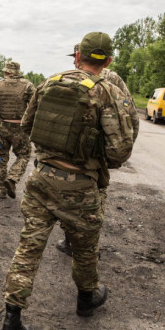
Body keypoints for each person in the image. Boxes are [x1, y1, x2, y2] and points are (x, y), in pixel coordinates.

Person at [0, 32, 138, 330]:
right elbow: (120, 150)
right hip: (81, 187)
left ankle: (11, 320)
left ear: (77, 56)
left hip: (42, 180)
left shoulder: (49, 83)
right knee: (85, 249)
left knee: (29, 246)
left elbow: (26, 126)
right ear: (109, 61)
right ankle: (86, 299)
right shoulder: (107, 92)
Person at [54, 44, 137, 256]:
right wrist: (118, 154)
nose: (74, 60)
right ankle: (86, 245)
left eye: (76, 56)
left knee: (68, 198)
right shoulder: (114, 79)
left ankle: (74, 243)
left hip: (71, 152)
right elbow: (131, 116)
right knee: (96, 198)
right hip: (98, 155)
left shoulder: (70, 78)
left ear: (82, 57)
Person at [0, 61, 36, 199]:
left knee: (1, 159)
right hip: (21, 128)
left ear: (7, 72)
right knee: (23, 156)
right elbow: (35, 107)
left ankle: (1, 189)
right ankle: (12, 178)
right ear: (17, 72)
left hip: (2, 127)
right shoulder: (28, 86)